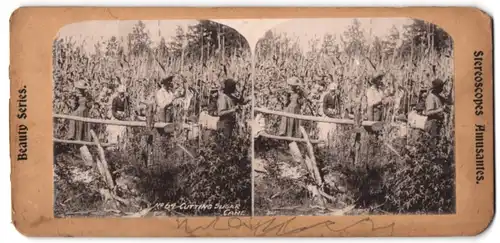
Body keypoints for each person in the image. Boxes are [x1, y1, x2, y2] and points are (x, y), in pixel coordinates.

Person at [424, 78, 451, 144]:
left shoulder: (437, 96)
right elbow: (428, 113)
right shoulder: (431, 97)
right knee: (434, 145)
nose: (442, 89)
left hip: (437, 123)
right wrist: (440, 110)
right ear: (437, 88)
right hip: (433, 124)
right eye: (441, 87)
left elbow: (449, 101)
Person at [317, 82, 341, 147]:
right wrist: (329, 114)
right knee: (325, 129)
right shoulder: (326, 96)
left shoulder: (336, 97)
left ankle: (332, 144)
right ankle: (324, 144)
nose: (332, 92)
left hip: (334, 114)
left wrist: (337, 114)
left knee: (333, 129)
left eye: (333, 90)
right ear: (329, 90)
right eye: (331, 90)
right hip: (327, 114)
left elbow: (338, 106)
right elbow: (324, 109)